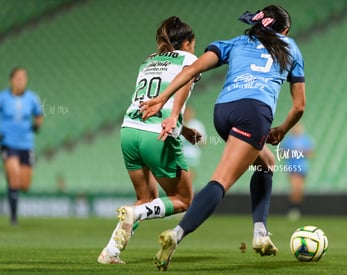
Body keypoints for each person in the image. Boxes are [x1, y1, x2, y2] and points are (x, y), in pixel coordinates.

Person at [141, 5, 306, 271]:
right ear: (284, 30)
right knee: (221, 180)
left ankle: (261, 232)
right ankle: (177, 233)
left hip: (223, 112)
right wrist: (281, 130)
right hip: (254, 113)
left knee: (265, 162)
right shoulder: (291, 47)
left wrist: (161, 98)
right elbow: (299, 106)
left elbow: (192, 69)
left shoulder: (237, 42)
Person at [97, 16, 202, 264]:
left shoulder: (148, 62)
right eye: (193, 44)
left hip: (129, 130)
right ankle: (133, 213)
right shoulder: (189, 59)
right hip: (157, 134)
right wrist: (175, 116)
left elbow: (149, 98)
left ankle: (110, 252)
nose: (194, 48)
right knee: (184, 199)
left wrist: (183, 128)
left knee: (145, 198)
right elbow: (185, 82)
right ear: (187, 43)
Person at [0, 67, 43, 226]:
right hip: (8, 143)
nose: (20, 80)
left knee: (24, 185)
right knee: (14, 177)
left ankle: (12, 178)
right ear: (11, 80)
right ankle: (13, 218)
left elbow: (39, 115)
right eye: (18, 77)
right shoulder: (3, 98)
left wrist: (37, 126)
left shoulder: (32, 98)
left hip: (26, 144)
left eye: (23, 78)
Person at [280, 122, 313, 220]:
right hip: (292, 167)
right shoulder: (288, 140)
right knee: (295, 187)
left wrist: (301, 152)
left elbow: (311, 153)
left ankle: (297, 209)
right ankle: (294, 209)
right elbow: (282, 153)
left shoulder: (306, 139)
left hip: (303, 167)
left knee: (300, 189)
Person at [181, 106, 206, 184]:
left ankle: (189, 193)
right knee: (179, 176)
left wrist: (192, 138)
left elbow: (203, 142)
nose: (187, 114)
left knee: (189, 176)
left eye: (189, 112)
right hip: (178, 155)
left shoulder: (197, 125)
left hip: (192, 156)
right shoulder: (176, 123)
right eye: (185, 112)